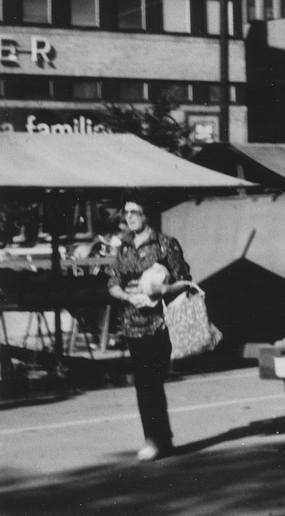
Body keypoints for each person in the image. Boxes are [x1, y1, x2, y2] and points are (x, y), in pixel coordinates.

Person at [106, 194, 194, 461]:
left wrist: (163, 289)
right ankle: (156, 439)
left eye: (135, 212)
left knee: (152, 381)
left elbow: (185, 280)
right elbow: (113, 283)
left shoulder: (165, 244)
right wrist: (126, 296)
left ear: (147, 215)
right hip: (132, 324)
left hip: (159, 323)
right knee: (143, 384)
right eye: (126, 213)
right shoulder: (123, 247)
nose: (129, 217)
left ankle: (159, 439)